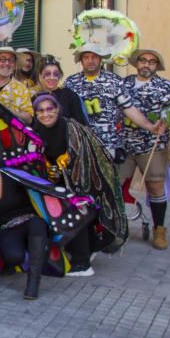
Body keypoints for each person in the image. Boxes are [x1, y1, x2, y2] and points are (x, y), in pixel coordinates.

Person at [31, 92, 126, 276]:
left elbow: (86, 158)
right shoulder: (36, 130)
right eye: (40, 111)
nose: (46, 114)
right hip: (57, 183)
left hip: (82, 181)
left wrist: (66, 170)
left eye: (50, 109)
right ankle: (88, 250)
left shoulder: (71, 128)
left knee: (76, 207)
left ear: (58, 109)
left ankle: (82, 264)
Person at [118, 48, 170, 250]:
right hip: (124, 144)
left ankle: (159, 229)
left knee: (155, 186)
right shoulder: (124, 84)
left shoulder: (166, 87)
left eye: (152, 62)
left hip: (153, 145)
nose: (146, 64)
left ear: (157, 66)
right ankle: (116, 228)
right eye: (143, 60)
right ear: (137, 63)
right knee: (115, 186)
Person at [0, 140, 47, 300]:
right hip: (5, 228)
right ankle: (34, 255)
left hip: (28, 220)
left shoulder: (12, 175)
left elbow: (40, 185)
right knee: (14, 257)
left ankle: (33, 283)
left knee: (38, 225)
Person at [63, 46, 164, 157]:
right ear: (81, 61)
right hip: (79, 145)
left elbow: (129, 108)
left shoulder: (114, 81)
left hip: (107, 145)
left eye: (94, 57)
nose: (90, 60)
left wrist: (150, 127)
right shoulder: (70, 83)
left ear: (101, 59)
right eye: (86, 57)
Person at [33, 55, 88, 125]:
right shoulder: (34, 98)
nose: (52, 77)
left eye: (56, 74)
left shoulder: (70, 96)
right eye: (47, 74)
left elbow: (80, 124)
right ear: (40, 75)